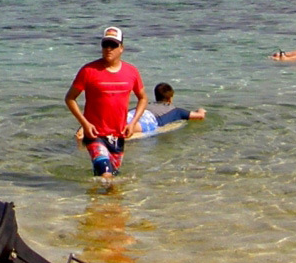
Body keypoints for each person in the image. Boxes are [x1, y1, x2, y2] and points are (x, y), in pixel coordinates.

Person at [66, 26, 147, 177]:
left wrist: (133, 122)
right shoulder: (88, 71)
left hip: (118, 134)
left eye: (113, 45)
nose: (109, 49)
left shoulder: (131, 72)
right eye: (105, 45)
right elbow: (70, 98)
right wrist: (85, 124)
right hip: (94, 133)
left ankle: (97, 199)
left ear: (121, 48)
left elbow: (143, 98)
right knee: (106, 174)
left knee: (110, 177)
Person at [129, 83, 207, 134]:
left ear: (156, 96)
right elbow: (200, 116)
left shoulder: (146, 104)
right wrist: (201, 110)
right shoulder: (177, 111)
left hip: (134, 112)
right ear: (170, 99)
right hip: (149, 119)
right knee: (134, 127)